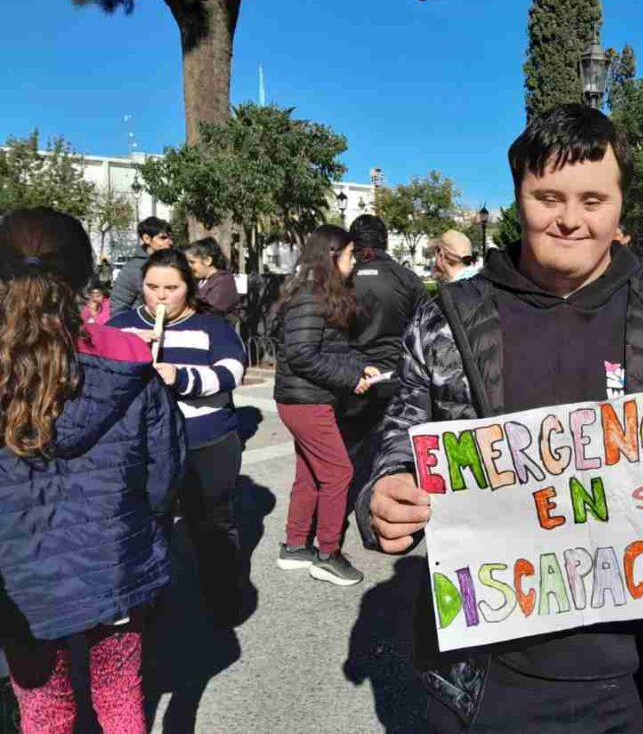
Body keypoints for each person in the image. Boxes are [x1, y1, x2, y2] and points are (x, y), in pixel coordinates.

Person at [355, 104, 643, 734]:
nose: (571, 219)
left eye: (593, 199)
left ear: (621, 203)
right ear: (518, 194)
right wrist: (382, 494)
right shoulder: (447, 319)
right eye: (548, 196)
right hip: (484, 675)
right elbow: (400, 438)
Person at [0, 209, 184, 734]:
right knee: (122, 697)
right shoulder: (129, 356)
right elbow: (162, 474)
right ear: (85, 277)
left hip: (19, 578)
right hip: (115, 559)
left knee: (43, 711)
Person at [109, 249, 248, 628]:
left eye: (172, 287)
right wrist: (126, 355)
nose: (161, 296)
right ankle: (147, 604)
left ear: (189, 287)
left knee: (213, 524)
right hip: (143, 447)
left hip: (207, 440)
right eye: (153, 287)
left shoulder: (212, 327)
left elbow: (232, 372)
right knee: (148, 524)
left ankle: (223, 600)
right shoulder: (120, 325)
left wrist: (179, 376)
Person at [274, 225, 378, 587]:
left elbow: (330, 350)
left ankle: (294, 545)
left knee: (309, 474)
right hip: (305, 400)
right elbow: (301, 355)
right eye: (350, 255)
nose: (354, 263)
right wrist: (350, 379)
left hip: (306, 398)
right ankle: (328, 554)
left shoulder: (319, 294)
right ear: (332, 255)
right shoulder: (310, 297)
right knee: (338, 473)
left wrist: (359, 368)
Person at [341, 215, 428, 468]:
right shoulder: (407, 278)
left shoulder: (344, 280)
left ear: (353, 244)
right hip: (396, 377)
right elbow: (426, 330)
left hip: (352, 378)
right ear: (385, 241)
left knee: (348, 457)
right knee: (396, 454)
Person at [110, 216, 173, 314]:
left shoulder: (177, 264)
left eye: (170, 237)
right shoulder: (132, 270)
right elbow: (118, 308)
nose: (169, 242)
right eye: (163, 238)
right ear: (147, 238)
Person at [186, 236, 241, 319]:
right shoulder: (200, 281)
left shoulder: (224, 282)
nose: (189, 266)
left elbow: (210, 312)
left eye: (192, 262)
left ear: (208, 261)